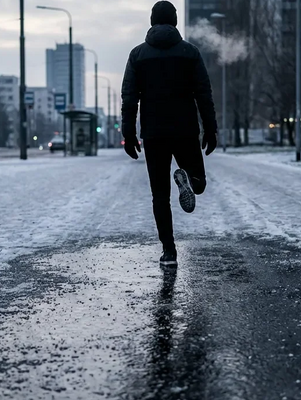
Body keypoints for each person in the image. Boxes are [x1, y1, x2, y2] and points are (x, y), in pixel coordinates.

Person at [121, 0, 218, 267]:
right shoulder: (190, 52)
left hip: (154, 133)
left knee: (160, 196)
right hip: (185, 129)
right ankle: (189, 178)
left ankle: (169, 252)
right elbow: (203, 94)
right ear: (175, 21)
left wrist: (129, 134)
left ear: (152, 22)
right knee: (200, 182)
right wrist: (210, 128)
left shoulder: (137, 55)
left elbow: (129, 98)